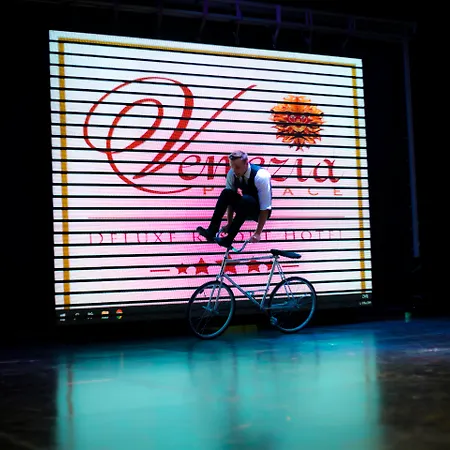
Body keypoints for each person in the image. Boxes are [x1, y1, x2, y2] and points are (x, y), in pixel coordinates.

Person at [196, 150, 272, 248]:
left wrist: (258, 233)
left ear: (246, 163)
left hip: (258, 212)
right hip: (243, 205)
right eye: (232, 167)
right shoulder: (232, 173)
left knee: (247, 200)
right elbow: (229, 202)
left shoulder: (261, 176)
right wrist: (229, 223)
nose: (234, 170)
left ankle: (229, 239)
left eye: (237, 167)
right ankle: (212, 231)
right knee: (226, 193)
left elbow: (265, 207)